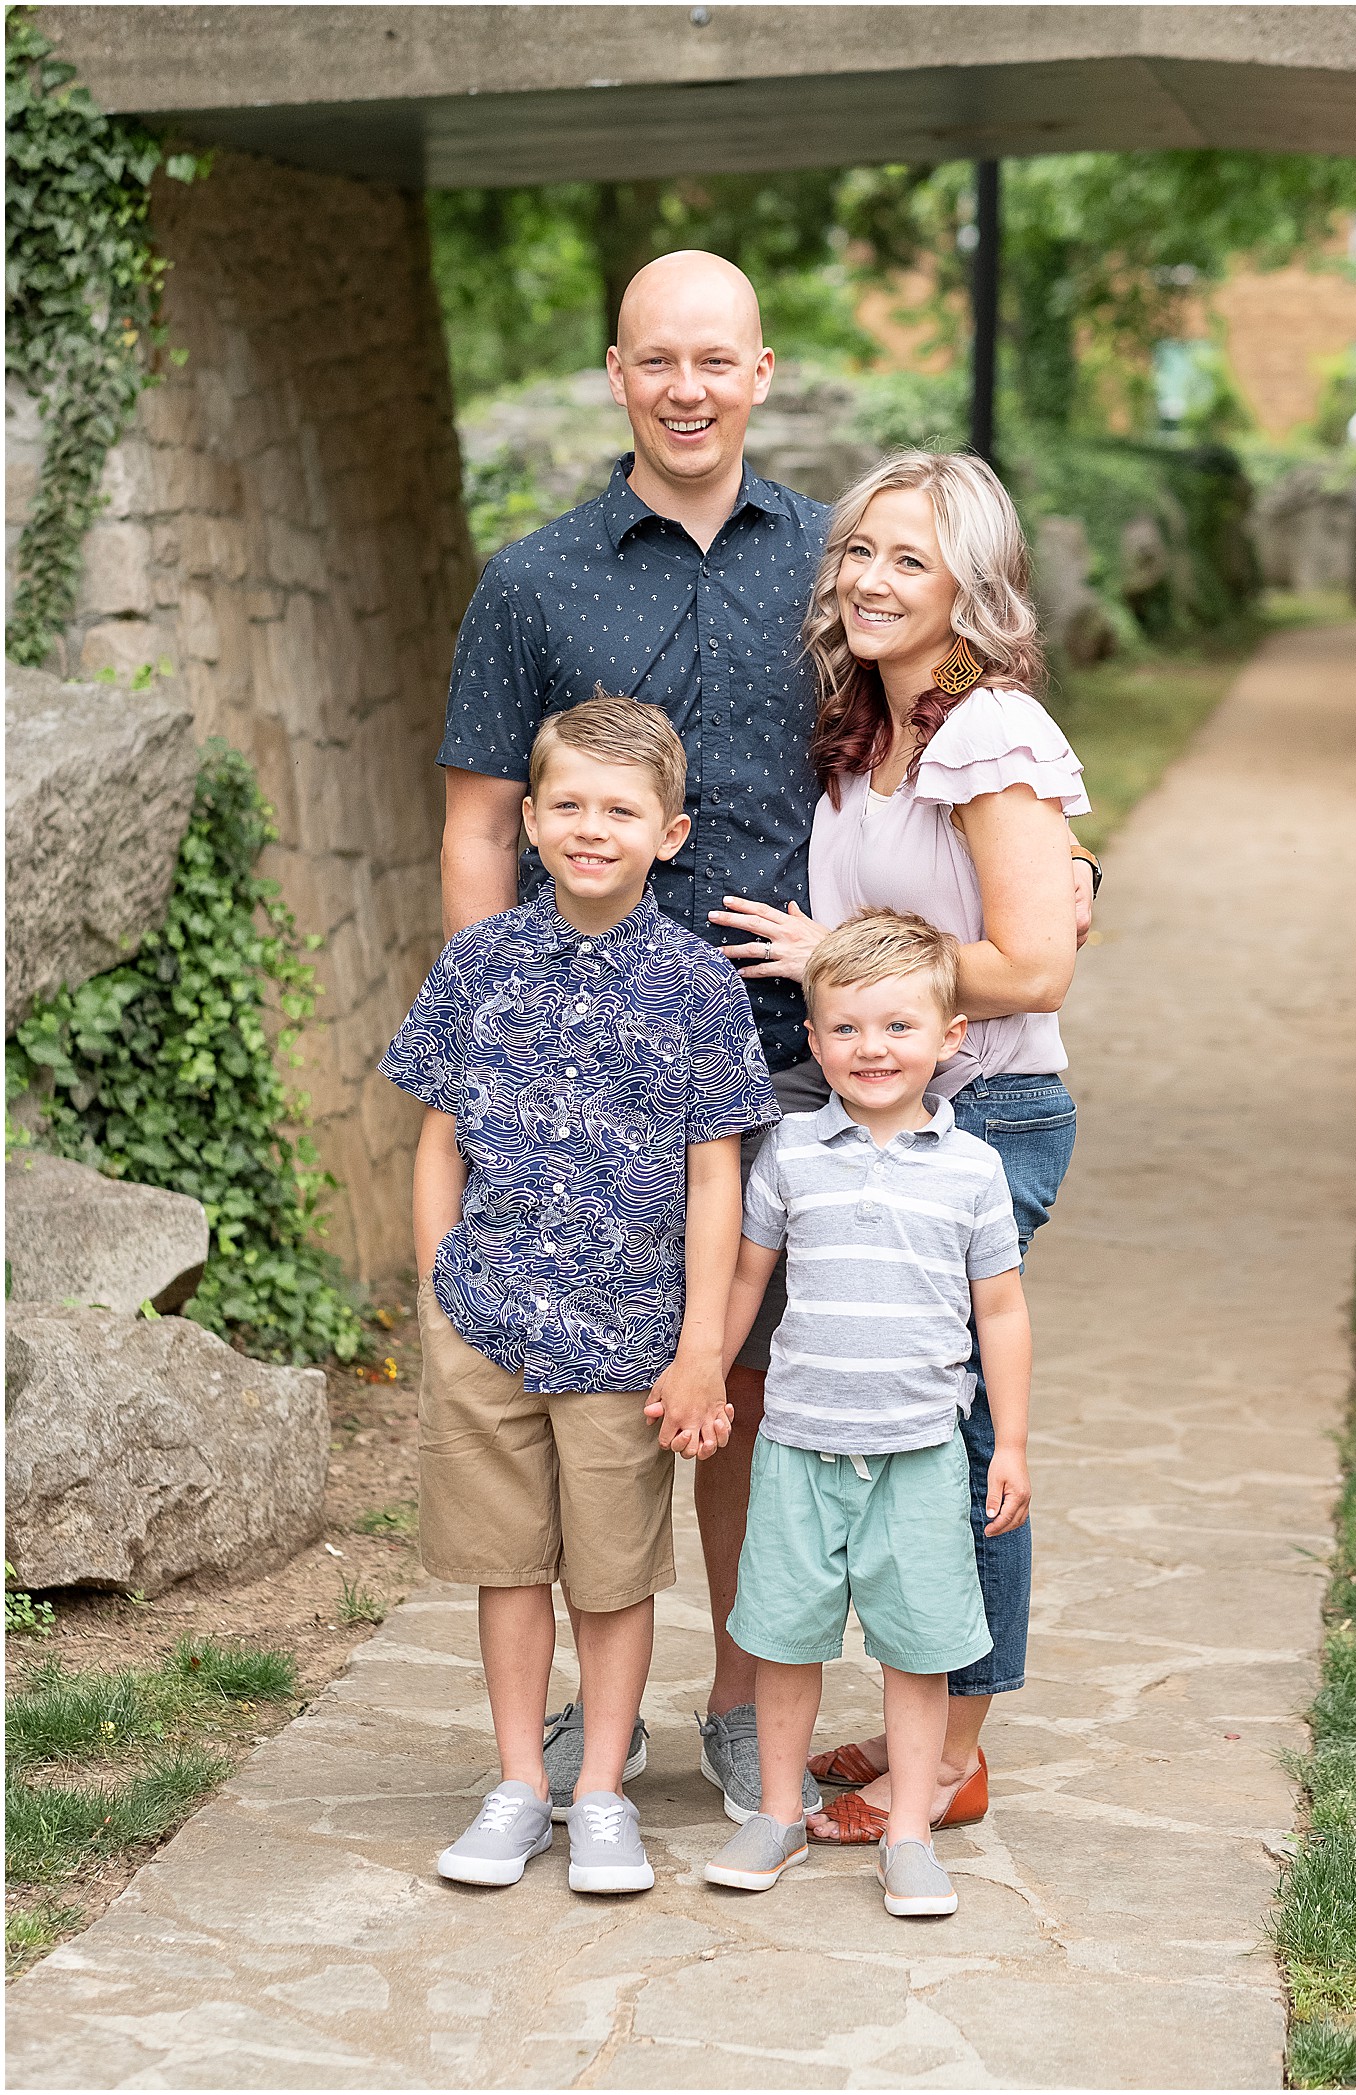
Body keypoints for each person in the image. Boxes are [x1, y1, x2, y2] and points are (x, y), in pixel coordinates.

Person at [437, 246, 1097, 1819]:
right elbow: (476, 826)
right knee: (587, 1389)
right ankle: (562, 1743)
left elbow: (975, 781)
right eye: (656, 359)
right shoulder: (533, 580)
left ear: (763, 371)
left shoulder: (832, 559)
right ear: (615, 371)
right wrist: (490, 1029)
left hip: (818, 1066)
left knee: (768, 1389)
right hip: (590, 1070)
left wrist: (1061, 892)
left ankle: (749, 1702)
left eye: (715, 360)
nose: (686, 387)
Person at [710, 449, 1090, 1844]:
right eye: (860, 549)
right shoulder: (870, 726)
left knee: (958, 1427)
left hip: (982, 1117)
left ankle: (957, 1757)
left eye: (909, 560)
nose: (871, 578)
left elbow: (1038, 963)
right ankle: (936, 1705)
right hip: (871, 1111)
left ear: (969, 589)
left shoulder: (988, 732)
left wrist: (843, 961)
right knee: (871, 1412)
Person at [380, 694, 778, 1894]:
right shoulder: (477, 961)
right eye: (567, 805)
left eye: (620, 809)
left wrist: (702, 1342)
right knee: (508, 1564)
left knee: (610, 1574)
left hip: (627, 1337)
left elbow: (719, 1174)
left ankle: (602, 1788)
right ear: (533, 821)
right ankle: (519, 1783)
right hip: (487, 1318)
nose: (589, 827)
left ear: (669, 832)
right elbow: (437, 1137)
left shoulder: (697, 986)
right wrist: (437, 1286)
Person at [701, 910, 1031, 1918]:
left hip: (920, 1450)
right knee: (785, 1635)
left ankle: (908, 1832)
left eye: (896, 1028)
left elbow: (1002, 1309)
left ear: (947, 1038)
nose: (870, 1049)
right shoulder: (791, 1152)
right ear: (812, 1039)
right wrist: (707, 1373)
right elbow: (747, 1279)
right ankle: (771, 1812)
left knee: (918, 1643)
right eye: (844, 1029)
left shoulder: (971, 1169)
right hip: (799, 1442)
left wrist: (1008, 1440)